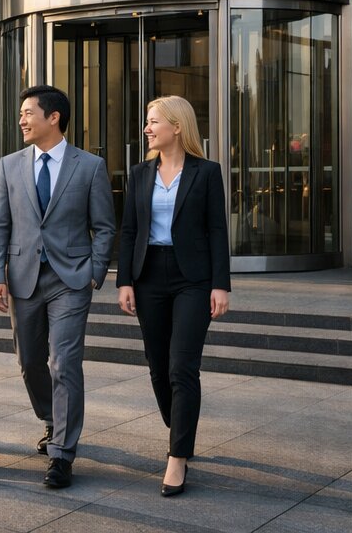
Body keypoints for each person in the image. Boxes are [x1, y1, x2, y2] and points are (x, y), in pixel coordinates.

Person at [0, 85, 115, 489]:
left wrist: (95, 270)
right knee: (29, 362)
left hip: (71, 279)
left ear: (53, 117)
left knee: (63, 362)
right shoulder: (9, 165)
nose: (21, 120)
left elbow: (105, 226)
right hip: (23, 277)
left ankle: (62, 453)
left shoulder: (89, 166)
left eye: (27, 113)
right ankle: (51, 418)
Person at [117, 95, 231, 498]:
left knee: (182, 367)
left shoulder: (206, 172)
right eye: (147, 122)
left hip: (193, 280)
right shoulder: (140, 173)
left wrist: (221, 284)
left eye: (153, 122)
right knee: (158, 367)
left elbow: (218, 230)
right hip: (149, 277)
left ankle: (177, 455)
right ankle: (182, 427)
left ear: (177, 126)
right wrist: (125, 280)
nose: (147, 128)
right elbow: (129, 230)